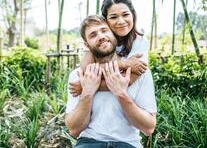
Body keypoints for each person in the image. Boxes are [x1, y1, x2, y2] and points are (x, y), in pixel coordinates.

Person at [65, 15, 157, 148]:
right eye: (93, 35)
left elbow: (148, 128)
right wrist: (87, 93)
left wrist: (121, 94)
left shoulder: (139, 70)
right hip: (89, 142)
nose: (101, 36)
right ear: (87, 45)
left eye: (104, 30)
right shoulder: (78, 75)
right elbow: (74, 130)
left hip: (128, 144)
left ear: (114, 34)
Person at [70, 0, 149, 96]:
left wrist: (86, 86)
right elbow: (87, 70)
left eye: (125, 15)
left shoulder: (140, 42)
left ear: (133, 15)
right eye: (113, 17)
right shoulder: (101, 40)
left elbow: (126, 80)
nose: (121, 21)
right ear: (105, 20)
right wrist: (124, 64)